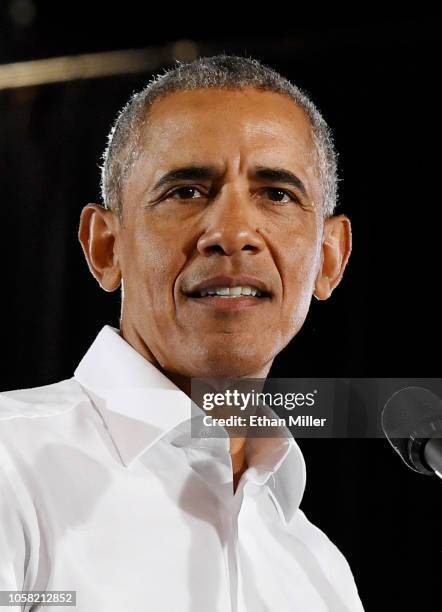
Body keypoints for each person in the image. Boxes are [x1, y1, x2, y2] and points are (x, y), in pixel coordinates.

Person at [0, 55, 363, 611]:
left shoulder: (320, 574)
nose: (234, 232)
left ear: (329, 259)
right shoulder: (12, 463)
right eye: (187, 191)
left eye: (276, 194)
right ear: (105, 247)